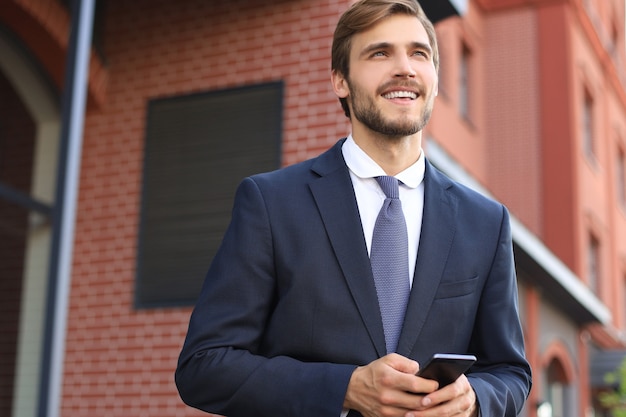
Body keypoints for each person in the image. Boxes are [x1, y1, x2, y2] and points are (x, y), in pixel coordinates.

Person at [175, 0, 532, 416]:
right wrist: (343, 388)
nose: (405, 68)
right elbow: (204, 365)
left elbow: (510, 372)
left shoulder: (486, 222)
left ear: (434, 80)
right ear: (340, 80)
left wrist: (475, 400)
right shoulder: (271, 203)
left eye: (419, 53)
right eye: (380, 53)